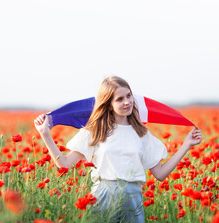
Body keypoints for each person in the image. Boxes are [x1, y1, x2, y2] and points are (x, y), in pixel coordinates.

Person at [34, 76, 202, 222]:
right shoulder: (95, 131)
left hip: (133, 198)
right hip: (103, 196)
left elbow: (160, 174)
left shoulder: (142, 133)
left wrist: (187, 145)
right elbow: (64, 164)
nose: (127, 102)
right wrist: (45, 135)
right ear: (108, 104)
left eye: (129, 96)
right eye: (119, 99)